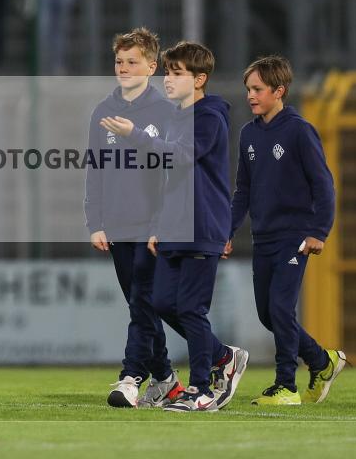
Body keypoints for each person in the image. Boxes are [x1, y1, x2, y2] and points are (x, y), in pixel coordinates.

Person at [101, 41, 248, 412]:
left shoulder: (210, 116)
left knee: (191, 309)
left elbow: (181, 155)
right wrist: (157, 225)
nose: (169, 79)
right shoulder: (175, 117)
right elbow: (165, 179)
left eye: (177, 73)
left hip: (202, 226)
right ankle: (223, 357)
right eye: (168, 71)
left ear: (200, 79)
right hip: (172, 228)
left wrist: (137, 134)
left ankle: (200, 389)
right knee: (162, 301)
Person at [223, 55, 346, 406]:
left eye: (258, 89)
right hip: (264, 237)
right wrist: (227, 230)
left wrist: (319, 231)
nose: (250, 95)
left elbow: (324, 186)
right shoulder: (248, 133)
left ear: (279, 91)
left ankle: (285, 386)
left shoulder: (299, 130)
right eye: (248, 89)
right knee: (268, 314)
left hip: (295, 237)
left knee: (280, 308)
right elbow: (242, 192)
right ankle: (323, 362)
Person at [85, 27, 183, 408]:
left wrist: (162, 224)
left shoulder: (166, 111)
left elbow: (173, 176)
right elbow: (95, 172)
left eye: (132, 62)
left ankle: (131, 377)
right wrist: (95, 221)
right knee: (139, 304)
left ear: (152, 66)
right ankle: (166, 377)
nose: (123, 68)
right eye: (118, 62)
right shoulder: (102, 112)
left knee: (143, 300)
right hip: (117, 225)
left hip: (152, 226)